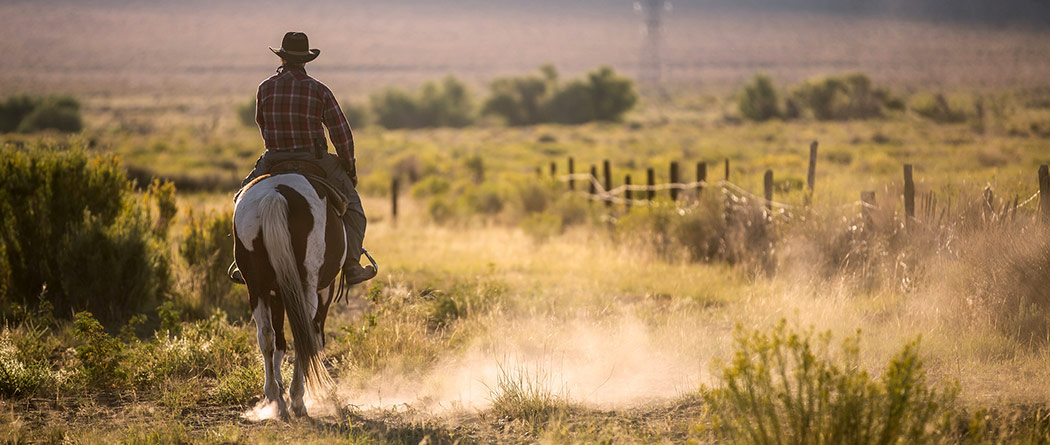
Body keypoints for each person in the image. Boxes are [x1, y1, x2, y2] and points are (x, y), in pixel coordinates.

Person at [230, 31, 375, 285]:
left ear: (282, 58)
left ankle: (246, 262)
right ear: (306, 60)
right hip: (314, 159)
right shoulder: (319, 90)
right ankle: (352, 264)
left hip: (274, 159)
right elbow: (342, 134)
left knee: (241, 200)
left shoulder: (264, 88)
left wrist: (278, 146)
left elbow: (262, 125)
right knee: (354, 208)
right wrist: (349, 169)